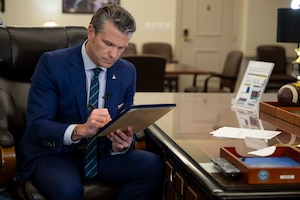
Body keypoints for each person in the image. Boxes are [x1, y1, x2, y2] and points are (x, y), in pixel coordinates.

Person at [15, 5, 164, 200]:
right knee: (69, 191)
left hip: (102, 154)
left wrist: (123, 144)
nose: (114, 55)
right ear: (91, 32)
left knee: (153, 165)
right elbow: (36, 127)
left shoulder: (127, 71)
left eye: (121, 48)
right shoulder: (52, 64)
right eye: (108, 44)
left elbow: (126, 122)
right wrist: (80, 130)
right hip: (56, 154)